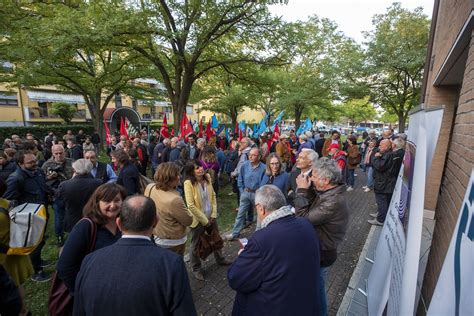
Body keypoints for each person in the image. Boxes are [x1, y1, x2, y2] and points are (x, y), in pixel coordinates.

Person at [73, 195, 197, 315]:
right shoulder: (171, 264)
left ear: (119, 223)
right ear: (156, 221)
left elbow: (79, 310)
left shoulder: (89, 261)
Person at [228, 185, 320, 316]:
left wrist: (243, 256)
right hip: (305, 304)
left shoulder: (261, 239)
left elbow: (236, 279)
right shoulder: (305, 224)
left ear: (261, 209)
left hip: (273, 307)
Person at [295, 158, 349, 316]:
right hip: (319, 249)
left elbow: (303, 219)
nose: (310, 179)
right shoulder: (329, 192)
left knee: (317, 292)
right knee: (313, 287)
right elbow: (314, 203)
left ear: (325, 180)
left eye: (314, 176)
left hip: (322, 253)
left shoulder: (333, 201)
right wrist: (309, 189)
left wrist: (302, 190)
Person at [57, 183, 126, 296]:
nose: (113, 205)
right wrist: (79, 293)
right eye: (107, 201)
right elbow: (65, 266)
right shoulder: (86, 226)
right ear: (97, 203)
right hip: (93, 291)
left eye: (117, 200)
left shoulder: (125, 223)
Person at [4, 150, 52, 282]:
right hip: (28, 219)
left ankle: (38, 261)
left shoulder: (38, 172)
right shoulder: (15, 179)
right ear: (20, 164)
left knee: (40, 240)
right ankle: (36, 271)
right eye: (30, 162)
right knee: (32, 244)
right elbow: (8, 200)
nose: (34, 163)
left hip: (41, 213)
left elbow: (43, 187)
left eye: (34, 160)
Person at [183, 160, 231, 281]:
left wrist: (213, 215)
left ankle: (220, 259)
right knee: (195, 245)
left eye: (200, 166)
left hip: (211, 217)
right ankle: (196, 269)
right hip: (198, 220)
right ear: (191, 172)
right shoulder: (188, 183)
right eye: (196, 168)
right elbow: (191, 205)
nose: (200, 169)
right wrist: (205, 221)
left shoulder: (208, 177)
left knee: (216, 238)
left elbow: (213, 196)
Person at [0, 179, 33, 316]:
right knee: (16, 284)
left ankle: (21, 311)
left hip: (5, 255)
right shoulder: (7, 204)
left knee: (10, 287)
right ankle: (23, 310)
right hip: (13, 250)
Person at [145, 163, 193, 255]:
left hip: (155, 235)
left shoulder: (150, 187)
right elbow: (188, 221)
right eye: (177, 175)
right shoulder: (174, 199)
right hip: (173, 241)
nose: (179, 177)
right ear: (169, 179)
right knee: (176, 266)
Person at [226, 147, 266, 241]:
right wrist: (242, 190)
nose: (251, 157)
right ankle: (235, 233)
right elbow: (240, 179)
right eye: (250, 155)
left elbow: (264, 182)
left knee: (260, 215)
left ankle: (257, 235)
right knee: (240, 213)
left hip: (257, 194)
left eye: (254, 155)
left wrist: (259, 193)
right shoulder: (245, 165)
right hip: (245, 193)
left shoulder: (263, 168)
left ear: (259, 156)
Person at [57, 159, 102, 236]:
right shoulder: (98, 183)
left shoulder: (64, 185)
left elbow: (60, 201)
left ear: (74, 170)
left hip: (72, 220)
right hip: (93, 218)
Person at [368, 138, 405, 225]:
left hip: (383, 183)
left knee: (382, 201)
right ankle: (381, 215)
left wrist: (375, 158)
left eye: (381, 145)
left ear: (387, 146)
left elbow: (380, 166)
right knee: (385, 201)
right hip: (387, 183)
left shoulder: (389, 155)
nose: (379, 147)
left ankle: (380, 219)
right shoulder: (390, 153)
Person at [42, 144, 74, 246]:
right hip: (57, 194)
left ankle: (73, 234)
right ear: (52, 153)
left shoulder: (71, 162)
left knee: (72, 214)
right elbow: (41, 180)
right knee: (58, 216)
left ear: (64, 152)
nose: (59, 155)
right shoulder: (47, 165)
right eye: (56, 153)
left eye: (61, 153)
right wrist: (49, 178)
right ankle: (59, 237)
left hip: (71, 193)